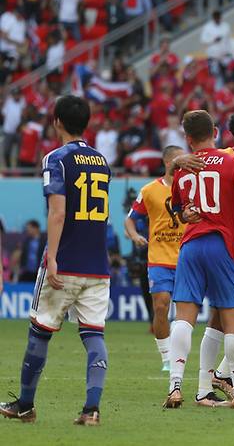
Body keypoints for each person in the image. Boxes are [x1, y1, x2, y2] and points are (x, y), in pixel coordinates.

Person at [0, 95, 112, 425]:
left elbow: (58, 211)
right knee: (94, 335)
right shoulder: (102, 161)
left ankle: (25, 405)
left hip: (65, 263)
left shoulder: (56, 159)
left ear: (57, 122)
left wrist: (51, 256)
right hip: (97, 266)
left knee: (40, 333)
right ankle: (91, 410)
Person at [163, 110, 234, 409]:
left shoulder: (184, 168)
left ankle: (176, 386)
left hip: (190, 245)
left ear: (187, 138)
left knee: (184, 317)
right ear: (214, 131)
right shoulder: (230, 161)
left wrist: (183, 209)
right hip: (222, 244)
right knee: (231, 322)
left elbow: (177, 209)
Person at [125, 146, 185, 372]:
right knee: (161, 306)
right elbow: (130, 220)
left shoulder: (191, 188)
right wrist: (134, 235)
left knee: (184, 313)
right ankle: (167, 358)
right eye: (179, 161)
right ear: (168, 162)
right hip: (159, 257)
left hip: (186, 258)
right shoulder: (149, 190)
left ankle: (180, 356)